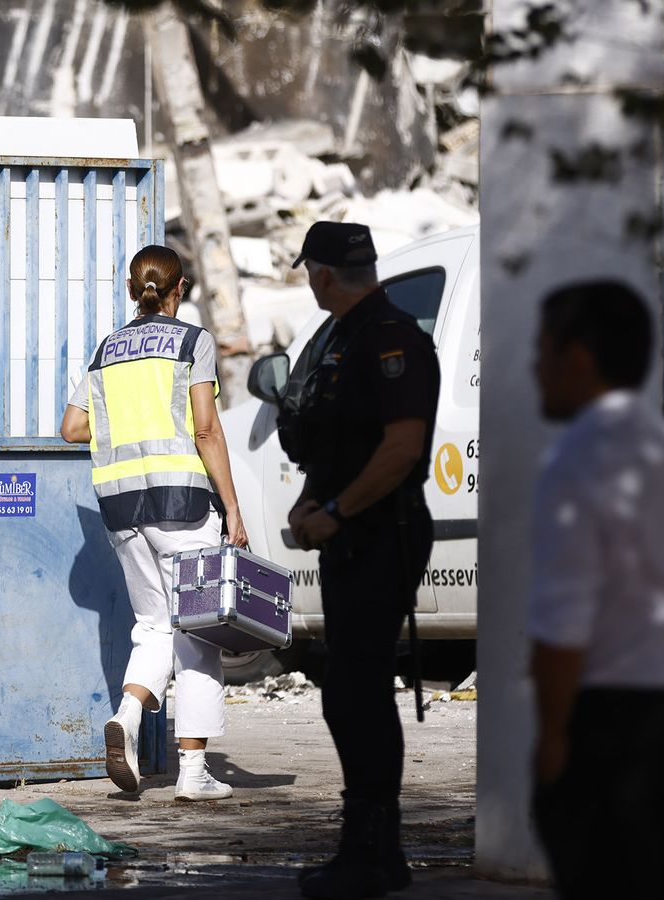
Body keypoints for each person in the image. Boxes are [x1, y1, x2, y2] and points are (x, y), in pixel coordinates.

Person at [527, 280, 664, 899]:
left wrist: (554, 741)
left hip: (622, 727)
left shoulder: (577, 462)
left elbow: (563, 631)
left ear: (579, 359)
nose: (533, 369)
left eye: (541, 350)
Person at [279, 221, 439, 899]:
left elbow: (402, 448)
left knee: (360, 692)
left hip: (385, 534)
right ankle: (366, 846)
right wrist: (311, 500)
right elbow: (333, 439)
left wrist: (338, 510)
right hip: (349, 535)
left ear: (320, 275)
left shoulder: (392, 336)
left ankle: (375, 853)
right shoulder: (343, 339)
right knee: (348, 693)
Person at [60, 244, 250, 802]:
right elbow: (207, 429)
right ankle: (193, 773)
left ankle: (127, 713)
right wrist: (233, 509)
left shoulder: (107, 350)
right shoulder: (194, 342)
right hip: (183, 505)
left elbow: (72, 427)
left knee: (153, 627)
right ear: (180, 289)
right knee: (197, 634)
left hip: (121, 509)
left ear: (130, 291)